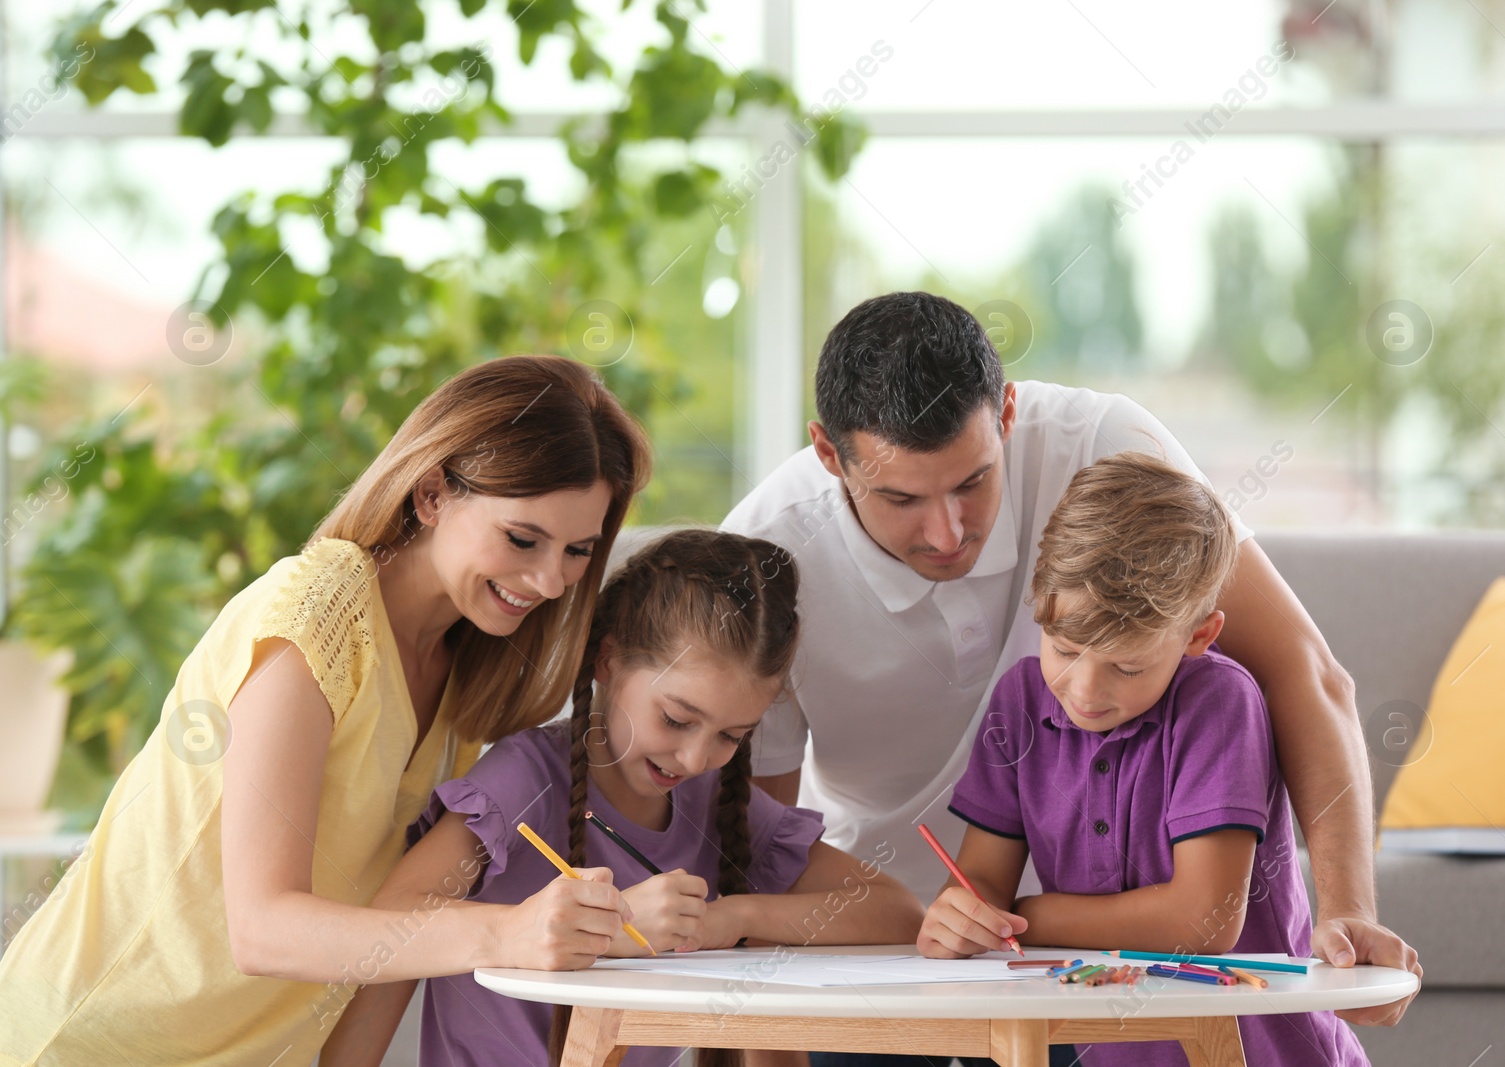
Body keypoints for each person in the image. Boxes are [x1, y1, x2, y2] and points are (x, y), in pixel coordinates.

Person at [722, 292, 1420, 1036]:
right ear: (829, 455)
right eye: (901, 498)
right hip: (893, 955)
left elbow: (1305, 672)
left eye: (972, 481)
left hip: (1089, 964)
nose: (948, 531)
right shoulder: (762, 559)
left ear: (1007, 416)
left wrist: (1348, 914)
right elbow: (761, 831)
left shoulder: (1106, 444)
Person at [0, 356, 652, 1067]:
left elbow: (394, 934)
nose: (549, 579)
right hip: (86, 1043)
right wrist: (507, 932)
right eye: (523, 539)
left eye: (577, 550)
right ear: (432, 493)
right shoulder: (322, 609)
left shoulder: (469, 676)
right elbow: (263, 928)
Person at [319, 529, 925, 1067]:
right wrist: (613, 927)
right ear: (608, 658)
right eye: (677, 719)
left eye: (731, 737)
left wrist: (733, 918)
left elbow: (895, 910)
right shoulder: (524, 778)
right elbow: (394, 922)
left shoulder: (717, 801)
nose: (694, 760)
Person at [919, 451, 1370, 1067]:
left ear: (1197, 637)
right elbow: (982, 884)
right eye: (1064, 648)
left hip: (1260, 1050)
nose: (1084, 691)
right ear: (1039, 603)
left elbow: (1202, 922)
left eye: (1127, 667)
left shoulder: (1219, 702)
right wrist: (960, 918)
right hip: (1111, 1053)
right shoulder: (1019, 703)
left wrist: (1029, 917)